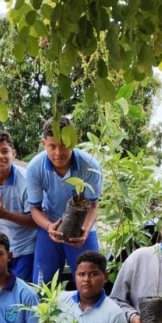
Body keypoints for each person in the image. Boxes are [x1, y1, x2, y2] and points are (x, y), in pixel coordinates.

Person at [26, 116, 102, 285]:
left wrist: (85, 230)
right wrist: (48, 227)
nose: (58, 153)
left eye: (64, 145)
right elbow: (35, 209)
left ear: (73, 142)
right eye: (52, 146)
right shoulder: (34, 168)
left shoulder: (90, 166)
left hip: (82, 228)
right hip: (50, 226)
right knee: (42, 285)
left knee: (90, 283)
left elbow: (93, 205)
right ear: (43, 143)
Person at [0, 130, 37, 282]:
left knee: (21, 291)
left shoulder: (27, 180)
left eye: (5, 151)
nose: (0, 156)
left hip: (27, 247)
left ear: (13, 153)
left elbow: (35, 221)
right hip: (2, 250)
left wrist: (5, 214)